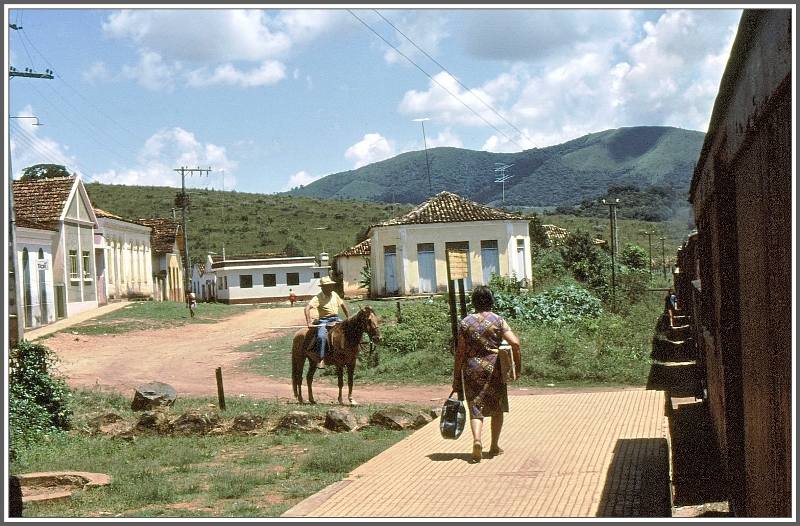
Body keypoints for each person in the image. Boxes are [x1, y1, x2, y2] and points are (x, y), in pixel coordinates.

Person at [452, 285, 522, 463]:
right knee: (497, 407)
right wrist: (517, 367)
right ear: (491, 301)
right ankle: (494, 446)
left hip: (471, 369)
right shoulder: (498, 320)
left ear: (474, 302)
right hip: (495, 369)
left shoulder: (465, 322)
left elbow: (460, 352)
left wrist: (456, 377)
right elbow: (515, 343)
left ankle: (477, 439)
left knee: (476, 407)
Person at [304, 276, 350, 369]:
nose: (330, 287)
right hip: (324, 321)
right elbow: (307, 308)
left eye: (331, 285)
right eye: (327, 286)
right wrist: (309, 323)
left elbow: (343, 305)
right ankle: (321, 359)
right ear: (322, 287)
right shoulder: (318, 297)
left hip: (336, 319)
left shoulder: (334, 294)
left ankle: (353, 356)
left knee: (351, 331)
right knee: (321, 336)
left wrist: (348, 319)